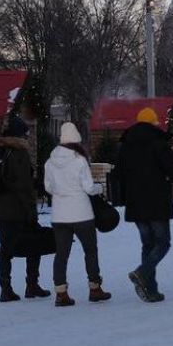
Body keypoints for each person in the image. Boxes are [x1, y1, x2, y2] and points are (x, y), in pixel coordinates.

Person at [118, 107, 173, 303]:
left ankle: (150, 289)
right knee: (163, 243)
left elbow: (120, 175)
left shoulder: (126, 145)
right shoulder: (158, 143)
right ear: (154, 123)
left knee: (147, 245)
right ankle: (142, 272)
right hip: (156, 201)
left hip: (135, 202)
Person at [44, 122, 110, 306]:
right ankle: (95, 288)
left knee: (61, 254)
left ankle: (61, 292)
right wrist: (99, 188)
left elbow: (48, 187)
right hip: (81, 214)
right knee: (90, 251)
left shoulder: (50, 162)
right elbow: (88, 188)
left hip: (59, 216)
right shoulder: (79, 160)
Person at [0, 113, 50, 302]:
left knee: (6, 250)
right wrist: (31, 210)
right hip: (19, 209)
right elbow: (23, 186)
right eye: (26, 134)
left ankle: (5, 288)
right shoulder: (19, 153)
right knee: (34, 245)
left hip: (1, 209)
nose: (27, 137)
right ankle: (32, 284)